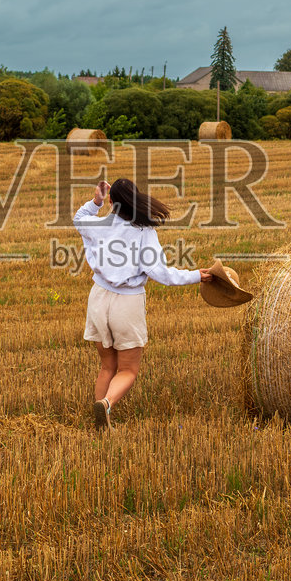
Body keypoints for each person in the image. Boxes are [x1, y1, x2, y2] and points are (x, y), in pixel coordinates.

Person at [74, 177, 208, 431]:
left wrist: (96, 201)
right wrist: (196, 275)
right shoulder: (145, 232)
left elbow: (79, 218)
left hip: (98, 298)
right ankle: (106, 403)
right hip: (127, 303)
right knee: (128, 370)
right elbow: (162, 274)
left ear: (112, 202)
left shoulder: (100, 224)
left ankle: (99, 425)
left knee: (107, 367)